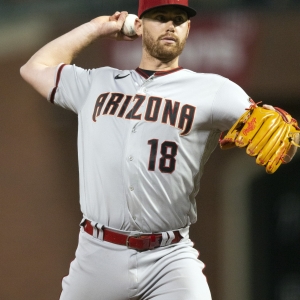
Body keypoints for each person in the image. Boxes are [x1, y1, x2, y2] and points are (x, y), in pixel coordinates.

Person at [19, 0, 298, 299]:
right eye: (159, 17)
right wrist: (96, 28)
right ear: (138, 25)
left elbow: (282, 140)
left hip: (170, 257)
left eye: (179, 19)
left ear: (188, 28)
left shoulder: (215, 90)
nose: (170, 25)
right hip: (97, 253)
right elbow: (34, 68)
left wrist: (286, 131)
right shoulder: (97, 83)